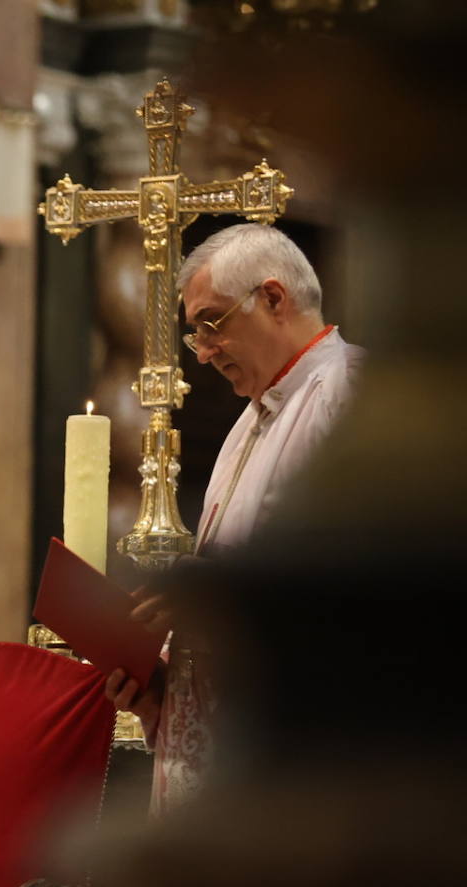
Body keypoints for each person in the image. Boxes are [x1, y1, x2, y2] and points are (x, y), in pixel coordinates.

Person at [104, 223, 364, 814]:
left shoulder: (344, 392)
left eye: (212, 322)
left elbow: (349, 596)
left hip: (302, 781)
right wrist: (167, 694)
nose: (200, 351)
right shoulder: (251, 420)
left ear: (273, 298)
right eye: (193, 332)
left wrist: (209, 598)